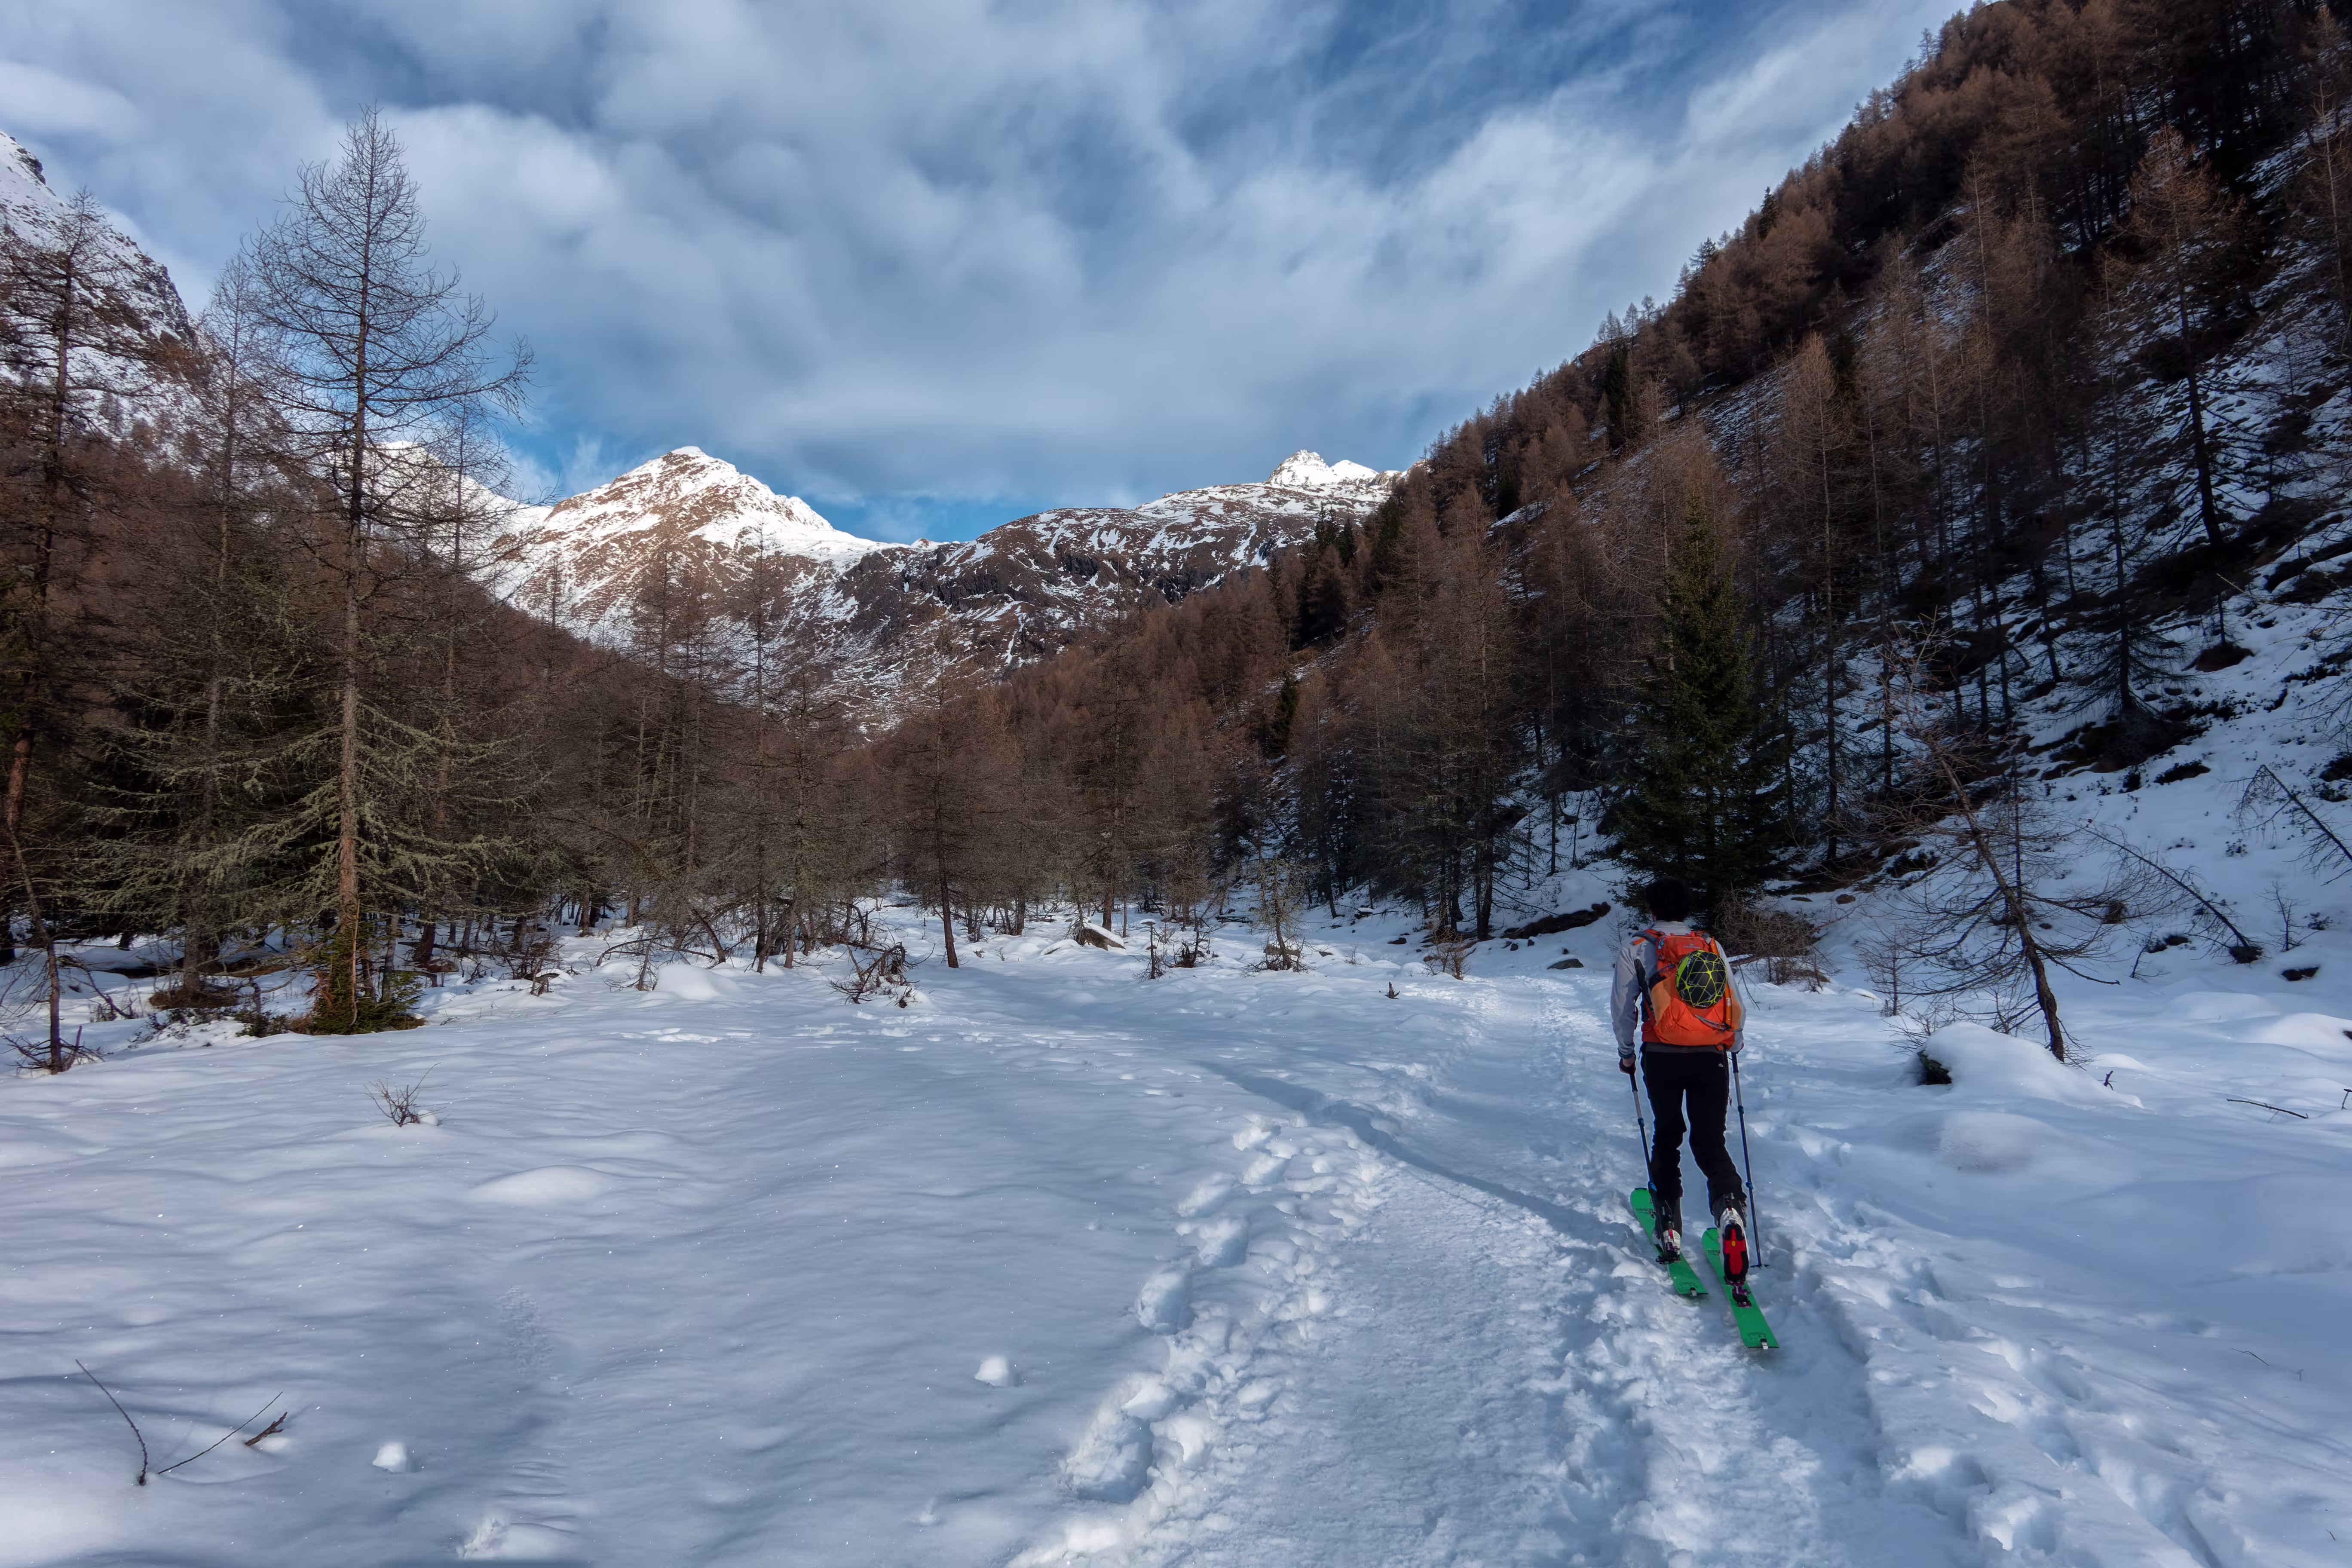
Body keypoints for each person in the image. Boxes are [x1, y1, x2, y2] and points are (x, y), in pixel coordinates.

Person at [1611, 875, 1748, 1278]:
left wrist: (1626, 1053)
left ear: (1651, 908)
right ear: (1688, 909)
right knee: (1710, 1141)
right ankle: (1729, 1209)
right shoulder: (1709, 945)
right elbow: (1732, 999)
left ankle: (1669, 1225)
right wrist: (1734, 1043)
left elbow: (1623, 1007)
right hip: (1711, 1055)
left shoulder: (1637, 947)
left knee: (1667, 1135)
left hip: (1661, 1056)